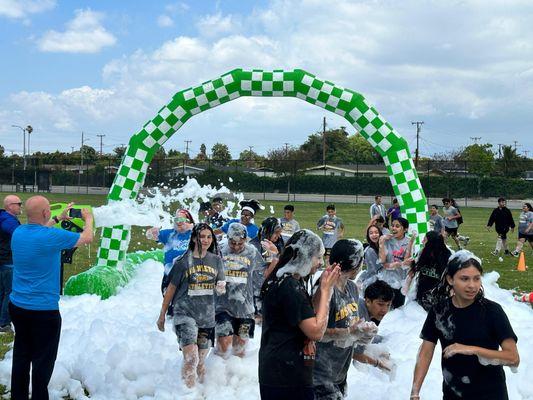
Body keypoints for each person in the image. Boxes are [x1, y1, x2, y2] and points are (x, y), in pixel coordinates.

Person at [10, 196, 94, 400]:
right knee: (42, 360)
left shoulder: (18, 232)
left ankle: (18, 396)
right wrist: (88, 219)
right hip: (44, 312)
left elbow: (40, 231)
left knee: (21, 354)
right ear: (46, 213)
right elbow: (87, 238)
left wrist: (58, 218)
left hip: (18, 307)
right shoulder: (52, 237)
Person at [411, 250, 520, 400]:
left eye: (477, 279)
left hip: (490, 394)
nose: (472, 286)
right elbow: (426, 351)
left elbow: (513, 358)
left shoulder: (492, 311)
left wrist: (470, 349)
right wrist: (415, 391)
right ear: (450, 279)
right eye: (464, 279)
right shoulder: (439, 310)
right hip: (453, 393)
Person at [258, 230, 340, 400]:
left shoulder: (289, 280)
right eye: (318, 257)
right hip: (285, 375)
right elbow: (316, 331)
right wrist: (325, 291)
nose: (320, 263)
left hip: (282, 371)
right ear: (305, 256)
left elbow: (309, 315)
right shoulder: (289, 286)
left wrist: (325, 285)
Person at [157, 223, 225, 388]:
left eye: (209, 237)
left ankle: (203, 391)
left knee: (201, 361)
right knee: (191, 358)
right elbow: (171, 289)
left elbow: (221, 285)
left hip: (207, 317)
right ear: (194, 238)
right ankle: (187, 394)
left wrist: (221, 287)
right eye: (202, 236)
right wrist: (162, 315)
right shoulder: (182, 262)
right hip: (184, 314)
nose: (206, 240)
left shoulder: (216, 261)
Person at [313, 239, 377, 400]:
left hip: (340, 370)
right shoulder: (324, 289)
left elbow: (350, 326)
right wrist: (349, 333)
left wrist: (363, 334)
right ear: (355, 263)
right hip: (319, 374)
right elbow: (315, 332)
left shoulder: (352, 288)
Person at [215, 223, 263, 358]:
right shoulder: (219, 250)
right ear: (227, 237)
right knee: (223, 345)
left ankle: (236, 377)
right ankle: (216, 374)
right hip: (222, 305)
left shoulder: (252, 252)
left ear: (246, 239)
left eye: (240, 243)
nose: (236, 247)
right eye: (232, 242)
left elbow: (261, 275)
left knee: (239, 348)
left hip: (245, 307)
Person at [353, 280, 394, 370]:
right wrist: (378, 363)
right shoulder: (362, 319)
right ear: (368, 301)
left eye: (388, 305)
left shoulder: (359, 302)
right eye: (380, 304)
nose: (385, 310)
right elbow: (355, 354)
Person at [146, 208, 194, 280]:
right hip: (170, 274)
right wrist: (151, 232)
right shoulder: (169, 233)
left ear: (188, 221)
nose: (178, 222)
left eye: (181, 220)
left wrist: (193, 227)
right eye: (176, 219)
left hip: (190, 273)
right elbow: (148, 236)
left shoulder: (195, 234)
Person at [378, 217, 415, 309]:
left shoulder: (408, 241)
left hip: (400, 281)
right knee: (384, 307)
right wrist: (381, 242)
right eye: (393, 225)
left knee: (398, 309)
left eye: (397, 226)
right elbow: (382, 261)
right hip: (386, 279)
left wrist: (411, 243)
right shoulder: (388, 239)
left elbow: (407, 263)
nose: (393, 228)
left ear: (405, 229)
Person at [410, 230, 452, 311]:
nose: (422, 242)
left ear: (432, 242)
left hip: (438, 297)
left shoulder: (447, 255)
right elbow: (415, 270)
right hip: (421, 296)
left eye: (425, 239)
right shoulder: (422, 252)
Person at [254, 217, 284, 324]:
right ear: (267, 231)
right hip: (258, 293)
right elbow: (262, 276)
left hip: (273, 290)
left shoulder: (279, 243)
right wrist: (276, 258)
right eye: (276, 232)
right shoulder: (255, 246)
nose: (279, 236)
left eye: (280, 232)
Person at [0, 195, 22, 333]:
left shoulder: (4, 217)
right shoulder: (8, 220)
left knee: (3, 292)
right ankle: (4, 324)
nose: (21, 206)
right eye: (19, 204)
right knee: (10, 293)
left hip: (3, 260)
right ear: (9, 206)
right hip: (7, 261)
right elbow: (19, 235)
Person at [358, 224, 383, 289]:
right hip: (374, 283)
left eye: (376, 232)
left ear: (380, 234)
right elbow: (376, 270)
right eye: (371, 233)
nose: (374, 235)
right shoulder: (370, 251)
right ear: (368, 236)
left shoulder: (383, 247)